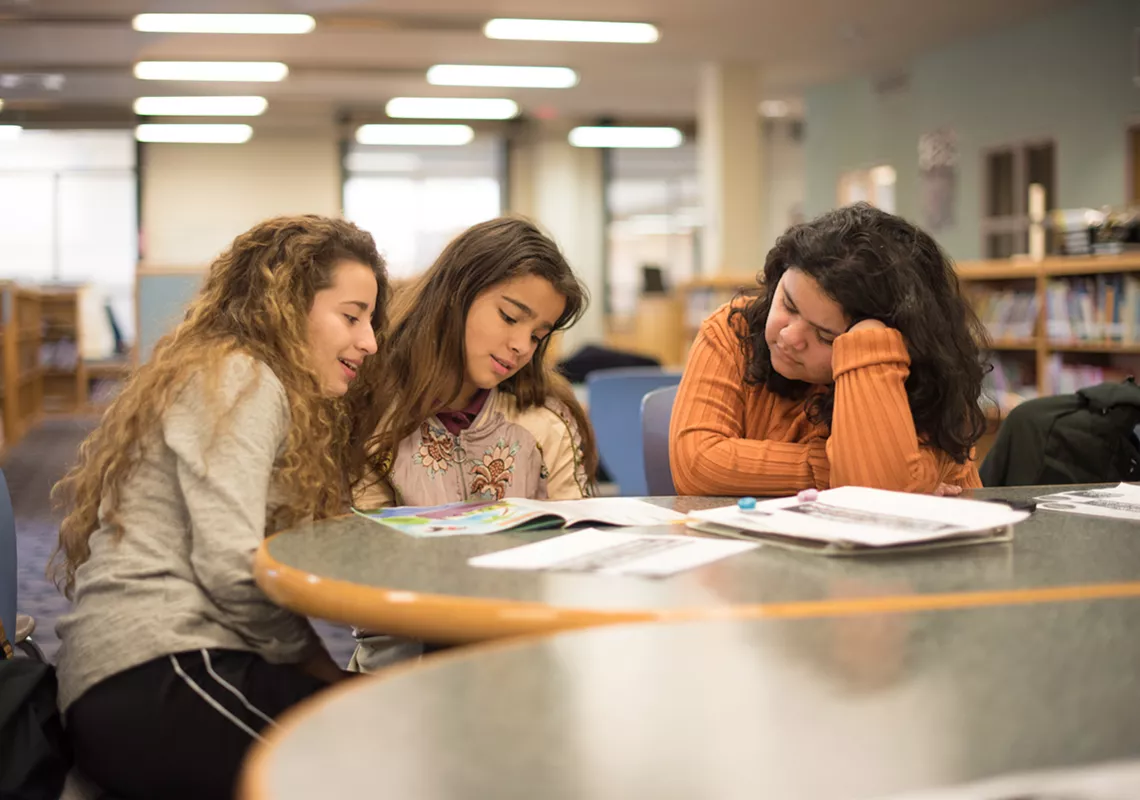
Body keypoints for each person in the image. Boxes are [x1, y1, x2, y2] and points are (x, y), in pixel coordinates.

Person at [51, 215, 388, 800]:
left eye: (371, 321)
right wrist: (321, 667)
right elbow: (232, 570)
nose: (370, 341)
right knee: (372, 755)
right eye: (352, 316)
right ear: (287, 304)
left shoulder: (249, 380)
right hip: (157, 667)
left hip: (168, 665)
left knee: (378, 732)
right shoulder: (241, 376)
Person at [344, 216, 597, 671]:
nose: (522, 346)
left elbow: (581, 552)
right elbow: (365, 569)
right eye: (509, 317)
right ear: (455, 295)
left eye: (539, 335)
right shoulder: (370, 409)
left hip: (523, 658)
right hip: (402, 666)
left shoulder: (546, 420)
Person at [670, 202, 987, 497]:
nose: (790, 337)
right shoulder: (732, 330)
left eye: (825, 336)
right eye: (789, 305)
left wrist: (868, 341)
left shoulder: (926, 384)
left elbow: (873, 495)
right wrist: (835, 470)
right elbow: (697, 463)